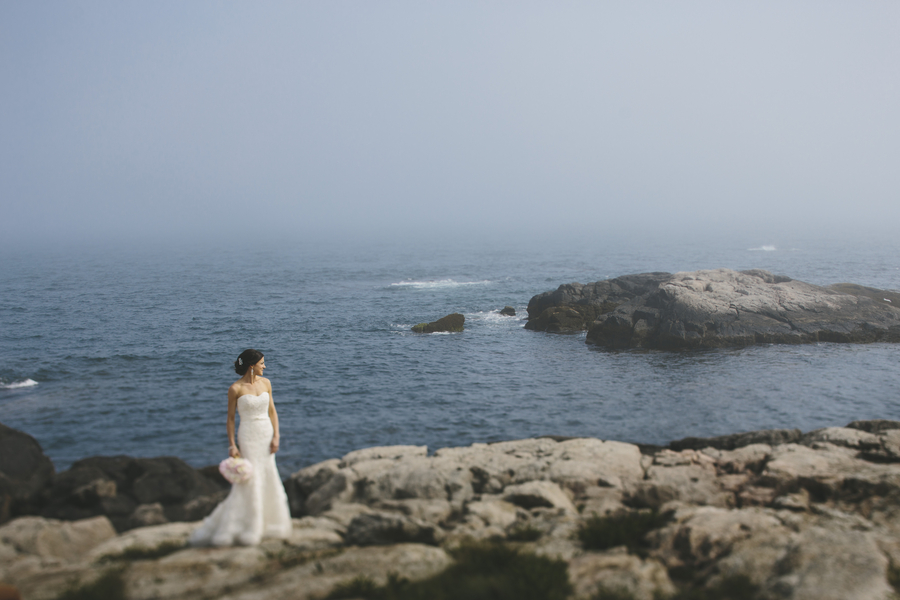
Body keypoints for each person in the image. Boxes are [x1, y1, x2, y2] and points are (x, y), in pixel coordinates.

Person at [189, 349, 292, 546]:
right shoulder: (235, 389)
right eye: (262, 363)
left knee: (268, 473)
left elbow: (272, 410)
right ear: (251, 366)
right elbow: (230, 419)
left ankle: (271, 522)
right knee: (250, 478)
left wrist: (277, 436)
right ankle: (248, 526)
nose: (265, 366)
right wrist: (231, 445)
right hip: (248, 435)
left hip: (266, 432)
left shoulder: (266, 383)